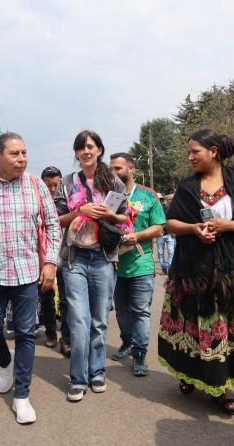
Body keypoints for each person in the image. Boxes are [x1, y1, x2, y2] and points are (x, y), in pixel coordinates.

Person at [157, 129, 234, 416]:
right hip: (194, 271)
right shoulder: (186, 187)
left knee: (225, 327)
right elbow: (171, 223)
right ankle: (189, 373)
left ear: (214, 151)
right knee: (193, 326)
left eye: (195, 151)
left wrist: (225, 226)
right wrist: (194, 229)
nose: (190, 157)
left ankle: (221, 387)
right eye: (189, 152)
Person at [0, 132, 61, 424]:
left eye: (24, 153)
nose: (22, 159)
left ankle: (22, 396)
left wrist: (51, 262)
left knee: (26, 333)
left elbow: (53, 225)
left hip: (27, 272)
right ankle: (6, 362)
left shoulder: (35, 185)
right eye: (15, 154)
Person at [54, 130, 127, 402]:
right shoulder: (67, 182)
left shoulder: (113, 181)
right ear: (76, 153)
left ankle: (97, 372)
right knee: (79, 321)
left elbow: (123, 218)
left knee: (99, 321)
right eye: (81, 147)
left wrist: (109, 214)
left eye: (90, 146)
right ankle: (78, 379)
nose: (86, 151)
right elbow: (57, 219)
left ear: (99, 150)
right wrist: (80, 211)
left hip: (104, 258)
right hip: (74, 258)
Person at [108, 152, 165, 376]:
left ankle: (140, 353)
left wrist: (137, 236)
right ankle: (127, 342)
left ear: (131, 169)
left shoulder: (147, 195)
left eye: (118, 168)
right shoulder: (110, 196)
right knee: (122, 311)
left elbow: (159, 227)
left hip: (142, 263)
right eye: (111, 168)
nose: (113, 172)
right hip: (115, 264)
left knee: (140, 311)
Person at [38, 166, 63, 348]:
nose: (53, 189)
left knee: (67, 300)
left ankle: (67, 336)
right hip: (45, 259)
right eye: (49, 186)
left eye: (56, 185)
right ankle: (51, 332)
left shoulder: (70, 202)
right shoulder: (37, 204)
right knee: (47, 297)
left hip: (67, 259)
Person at [155, 194, 175, 274]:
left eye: (160, 200)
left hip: (169, 233)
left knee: (171, 251)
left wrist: (173, 231)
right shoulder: (154, 210)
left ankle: (170, 268)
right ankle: (164, 268)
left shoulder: (168, 209)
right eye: (158, 200)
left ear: (162, 201)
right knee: (160, 252)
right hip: (159, 234)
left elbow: (172, 219)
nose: (159, 201)